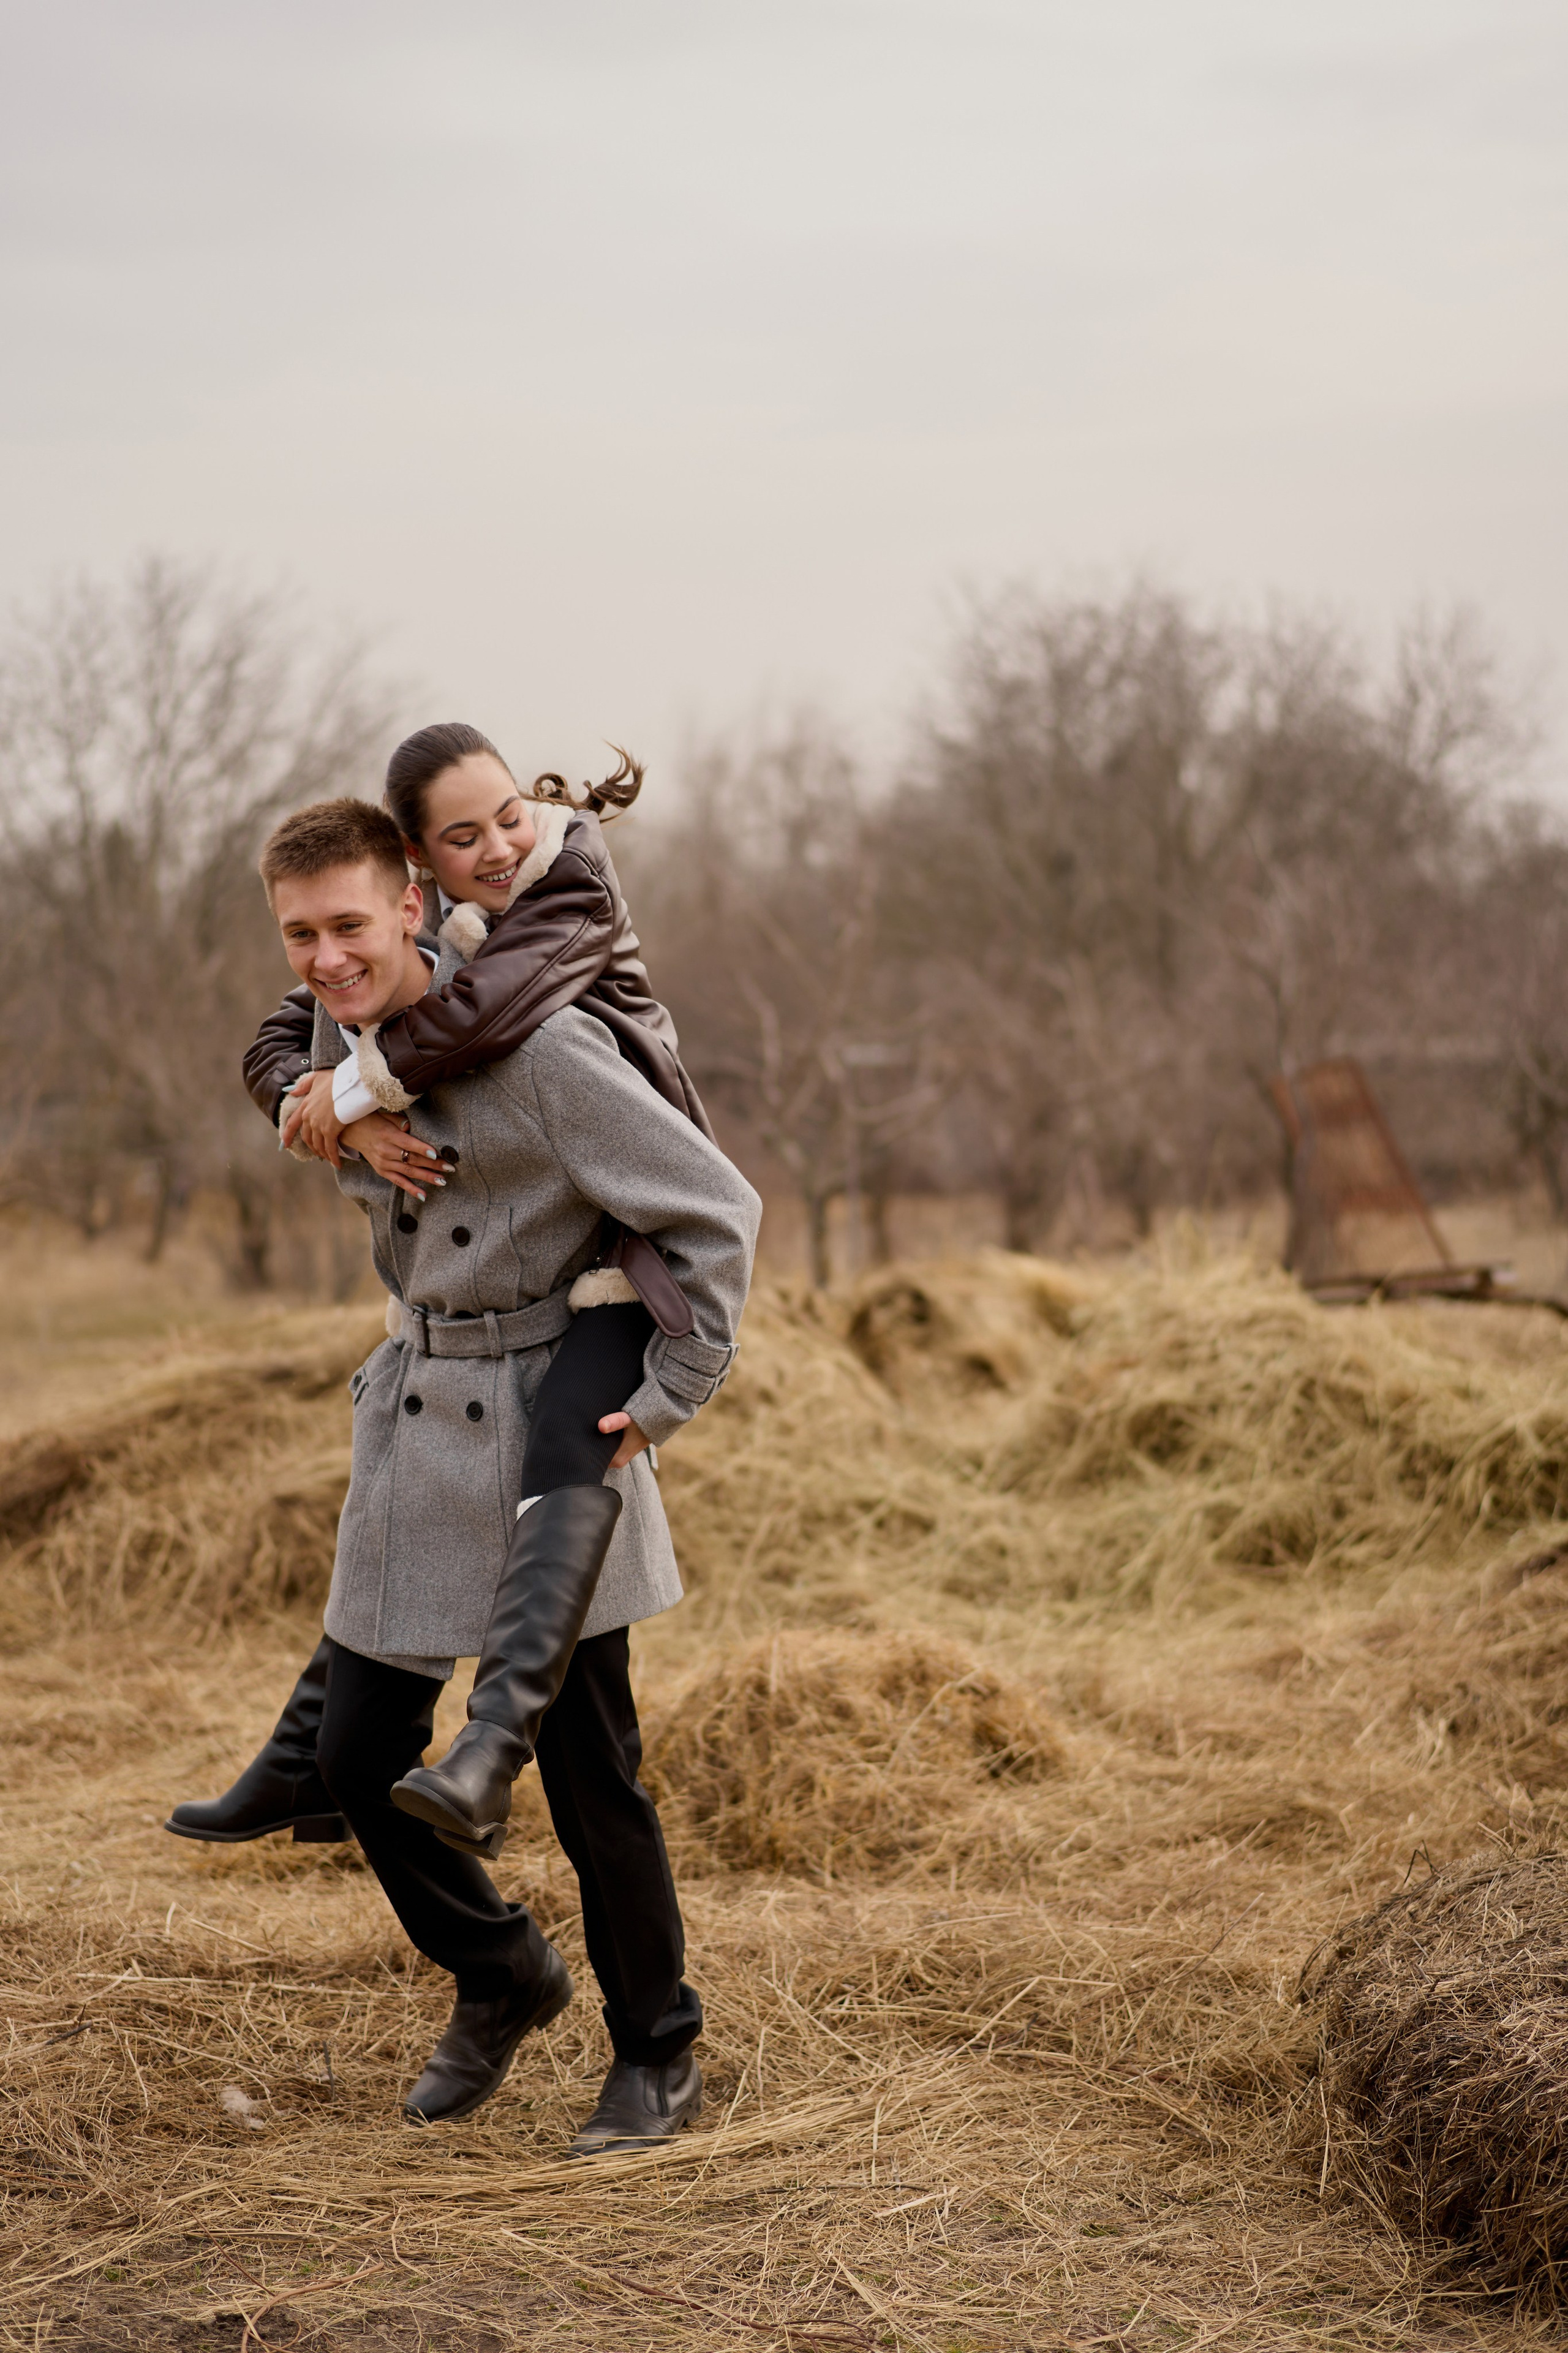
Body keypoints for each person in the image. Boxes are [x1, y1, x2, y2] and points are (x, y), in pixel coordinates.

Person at [228, 794, 758, 2152]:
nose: (326, 955)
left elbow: (715, 1207)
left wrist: (671, 1393)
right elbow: (298, 1075)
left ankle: (658, 2050)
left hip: (543, 1421)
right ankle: (502, 1972)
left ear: (413, 902)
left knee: (593, 1777)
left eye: (349, 923)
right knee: (354, 1761)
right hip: (410, 1415)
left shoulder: (544, 1047)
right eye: (300, 934)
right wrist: (335, 1118)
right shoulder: (335, 1053)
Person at [167, 724, 704, 1858]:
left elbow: (483, 1017)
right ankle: (327, 1756)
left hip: (621, 1251)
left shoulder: (567, 895)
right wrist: (308, 1104)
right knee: (403, 1531)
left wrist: (361, 1087)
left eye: (508, 811)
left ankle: (487, 1750)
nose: (502, 843)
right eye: (465, 835)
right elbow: (278, 1031)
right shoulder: (434, 932)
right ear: (421, 864)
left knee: (568, 1470)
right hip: (494, 1297)